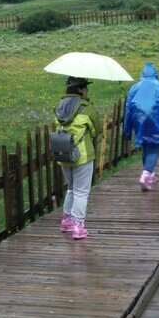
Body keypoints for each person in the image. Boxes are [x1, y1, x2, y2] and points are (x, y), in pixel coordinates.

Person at [55, 77, 100, 239]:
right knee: (82, 192)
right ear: (80, 89)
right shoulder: (86, 107)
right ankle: (78, 226)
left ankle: (67, 221)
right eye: (85, 88)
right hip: (81, 154)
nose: (87, 90)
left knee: (72, 188)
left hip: (64, 152)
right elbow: (96, 130)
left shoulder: (60, 105)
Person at [123, 62, 159, 190]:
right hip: (156, 121)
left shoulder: (134, 88)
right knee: (154, 148)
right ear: (155, 74)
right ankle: (146, 175)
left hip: (139, 121)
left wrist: (127, 131)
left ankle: (150, 175)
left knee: (146, 146)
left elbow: (128, 110)